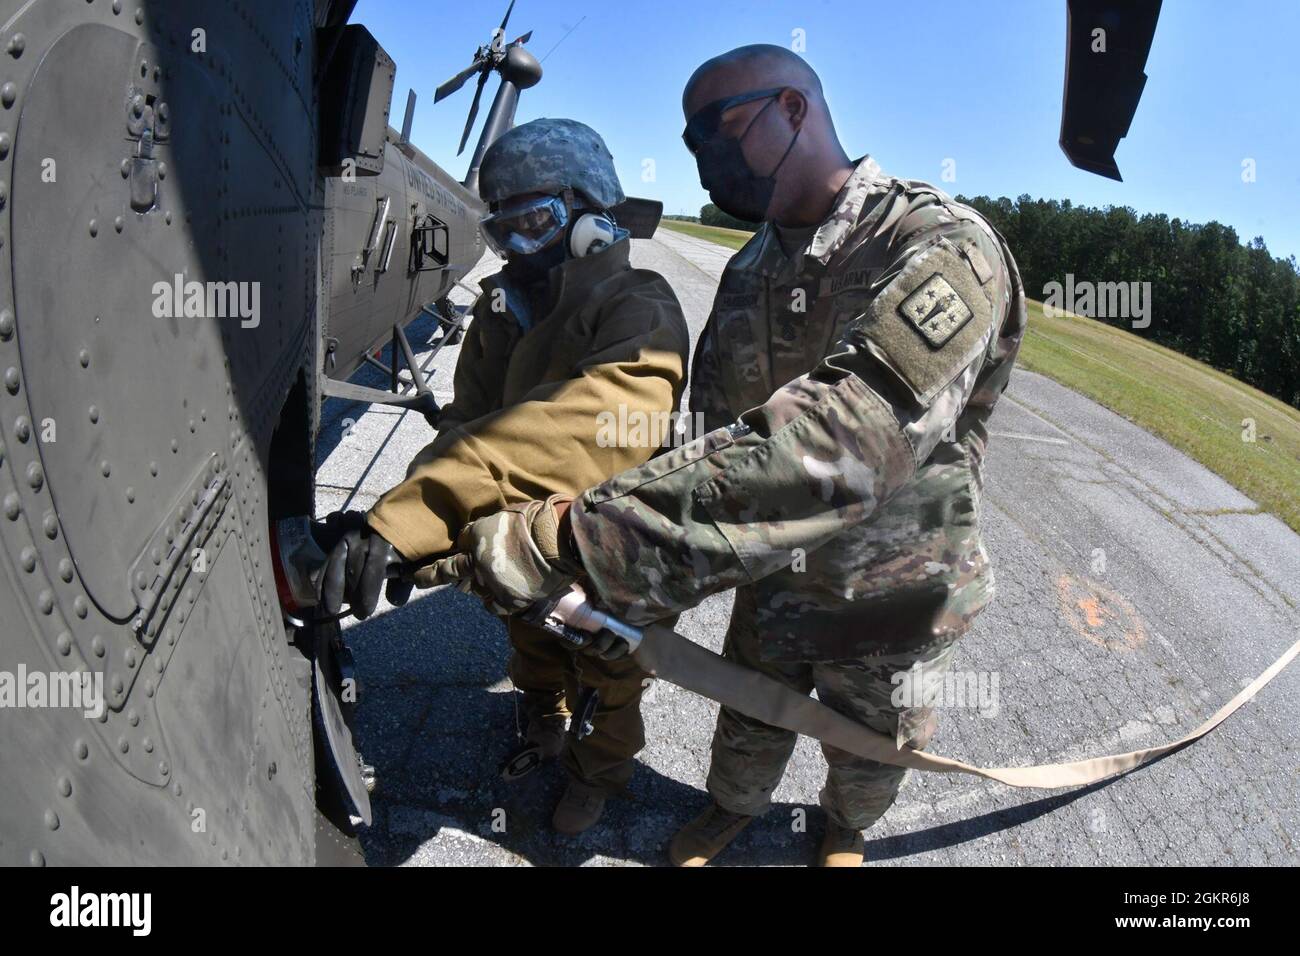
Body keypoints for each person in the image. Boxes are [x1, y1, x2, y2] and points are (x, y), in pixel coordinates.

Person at [437, 46, 1028, 867]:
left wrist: (591, 545)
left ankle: (843, 830)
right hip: (775, 579)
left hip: (893, 591)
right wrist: (646, 593)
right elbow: (709, 435)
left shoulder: (939, 243)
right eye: (689, 144)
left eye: (718, 129)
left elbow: (857, 438)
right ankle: (729, 813)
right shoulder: (752, 268)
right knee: (750, 725)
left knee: (868, 747)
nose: (704, 158)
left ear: (793, 108)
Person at [317, 118, 690, 834]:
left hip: (609, 536)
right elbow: (472, 422)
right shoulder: (503, 309)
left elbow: (598, 423)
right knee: (530, 638)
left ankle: (597, 773)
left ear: (592, 217)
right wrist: (406, 532)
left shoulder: (638, 304)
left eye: (536, 223)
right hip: (517, 533)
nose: (517, 250)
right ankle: (541, 715)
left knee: (612, 674)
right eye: (502, 233)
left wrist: (419, 509)